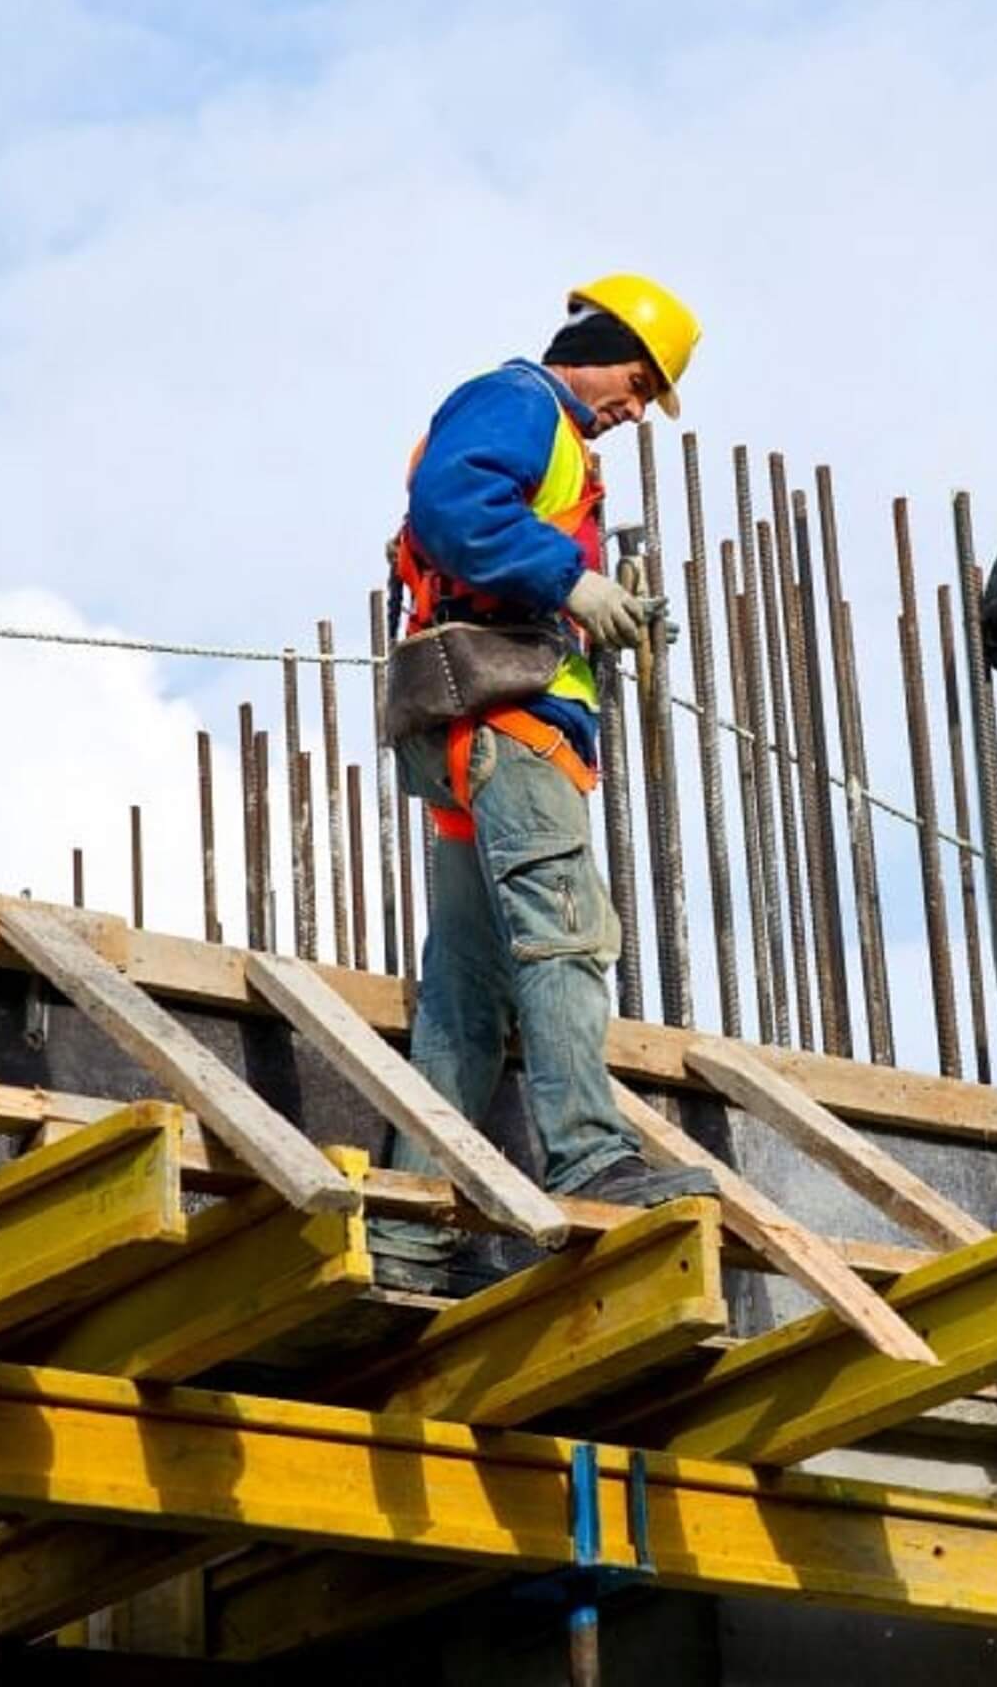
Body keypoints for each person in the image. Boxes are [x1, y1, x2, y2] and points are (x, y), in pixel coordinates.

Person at [370, 275, 716, 1292]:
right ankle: (591, 1156)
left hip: (477, 731)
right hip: (510, 728)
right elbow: (452, 506)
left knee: (466, 995)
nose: (636, 408)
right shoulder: (523, 402)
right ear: (595, 344)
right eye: (638, 380)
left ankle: (411, 1227)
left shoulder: (555, 441)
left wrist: (594, 605)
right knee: (567, 936)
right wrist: (571, 583)